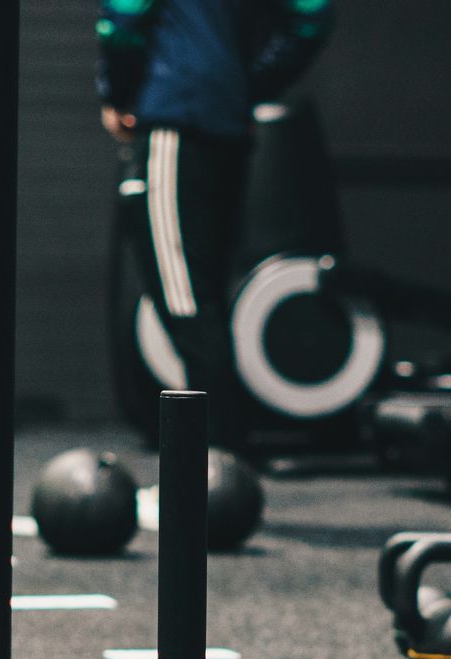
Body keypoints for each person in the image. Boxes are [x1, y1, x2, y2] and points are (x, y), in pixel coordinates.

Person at [98, 0, 332, 449]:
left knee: (186, 305)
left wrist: (119, 94)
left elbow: (122, 22)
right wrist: (248, 85)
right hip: (228, 132)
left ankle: (215, 467)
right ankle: (222, 467)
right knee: (205, 302)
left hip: (175, 127)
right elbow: (311, 16)